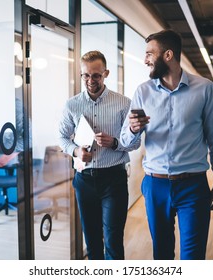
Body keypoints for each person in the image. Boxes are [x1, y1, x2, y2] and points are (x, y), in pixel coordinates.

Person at [120, 29, 213, 260]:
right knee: (162, 254)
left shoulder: (204, 89)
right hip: (155, 185)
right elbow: (126, 142)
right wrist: (132, 129)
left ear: (168, 55)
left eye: (150, 53)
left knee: (193, 256)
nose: (145, 59)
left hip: (193, 186)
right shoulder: (143, 92)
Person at [58, 50, 140, 260]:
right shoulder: (72, 105)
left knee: (113, 240)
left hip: (114, 180)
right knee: (92, 241)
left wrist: (114, 143)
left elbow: (135, 142)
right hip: (84, 181)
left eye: (96, 75)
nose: (90, 80)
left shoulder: (123, 103)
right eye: (86, 75)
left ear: (106, 73)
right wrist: (76, 151)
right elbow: (63, 138)